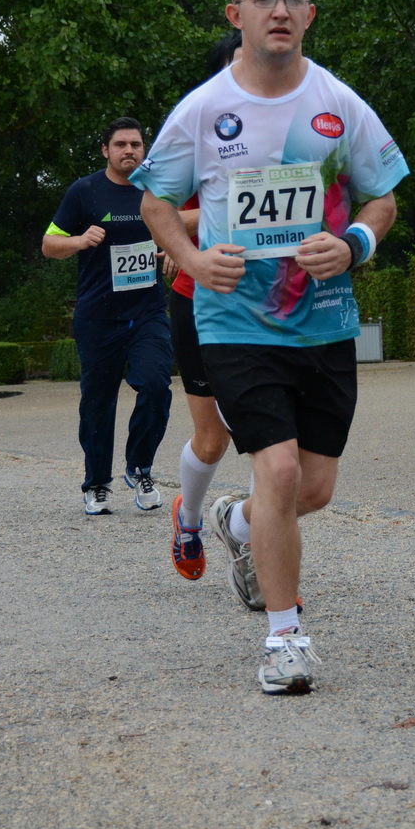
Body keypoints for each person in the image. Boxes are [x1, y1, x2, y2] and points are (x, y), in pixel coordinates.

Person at [135, 0, 408, 695]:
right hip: (235, 323)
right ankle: (285, 639)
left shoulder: (339, 104)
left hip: (325, 322)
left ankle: (236, 521)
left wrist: (355, 243)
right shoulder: (202, 110)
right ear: (237, 15)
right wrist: (193, 261)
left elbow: (383, 195)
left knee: (311, 487)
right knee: (279, 469)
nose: (280, 10)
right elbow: (155, 202)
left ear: (310, 14)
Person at [42, 117, 173, 516]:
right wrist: (79, 240)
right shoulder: (85, 191)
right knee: (98, 404)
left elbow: (183, 228)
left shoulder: (158, 189)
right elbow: (49, 244)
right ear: (105, 150)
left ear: (144, 149)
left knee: (156, 386)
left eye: (136, 144)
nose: (129, 150)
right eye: (120, 144)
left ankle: (140, 467)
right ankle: (97, 484)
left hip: (148, 312)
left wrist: (175, 249)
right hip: (98, 317)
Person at [166, 32, 241, 581]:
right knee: (214, 439)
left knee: (270, 435)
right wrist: (221, 207)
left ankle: (252, 541)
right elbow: (160, 213)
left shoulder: (292, 127)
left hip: (271, 303)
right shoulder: (194, 131)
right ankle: (189, 519)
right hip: (199, 300)